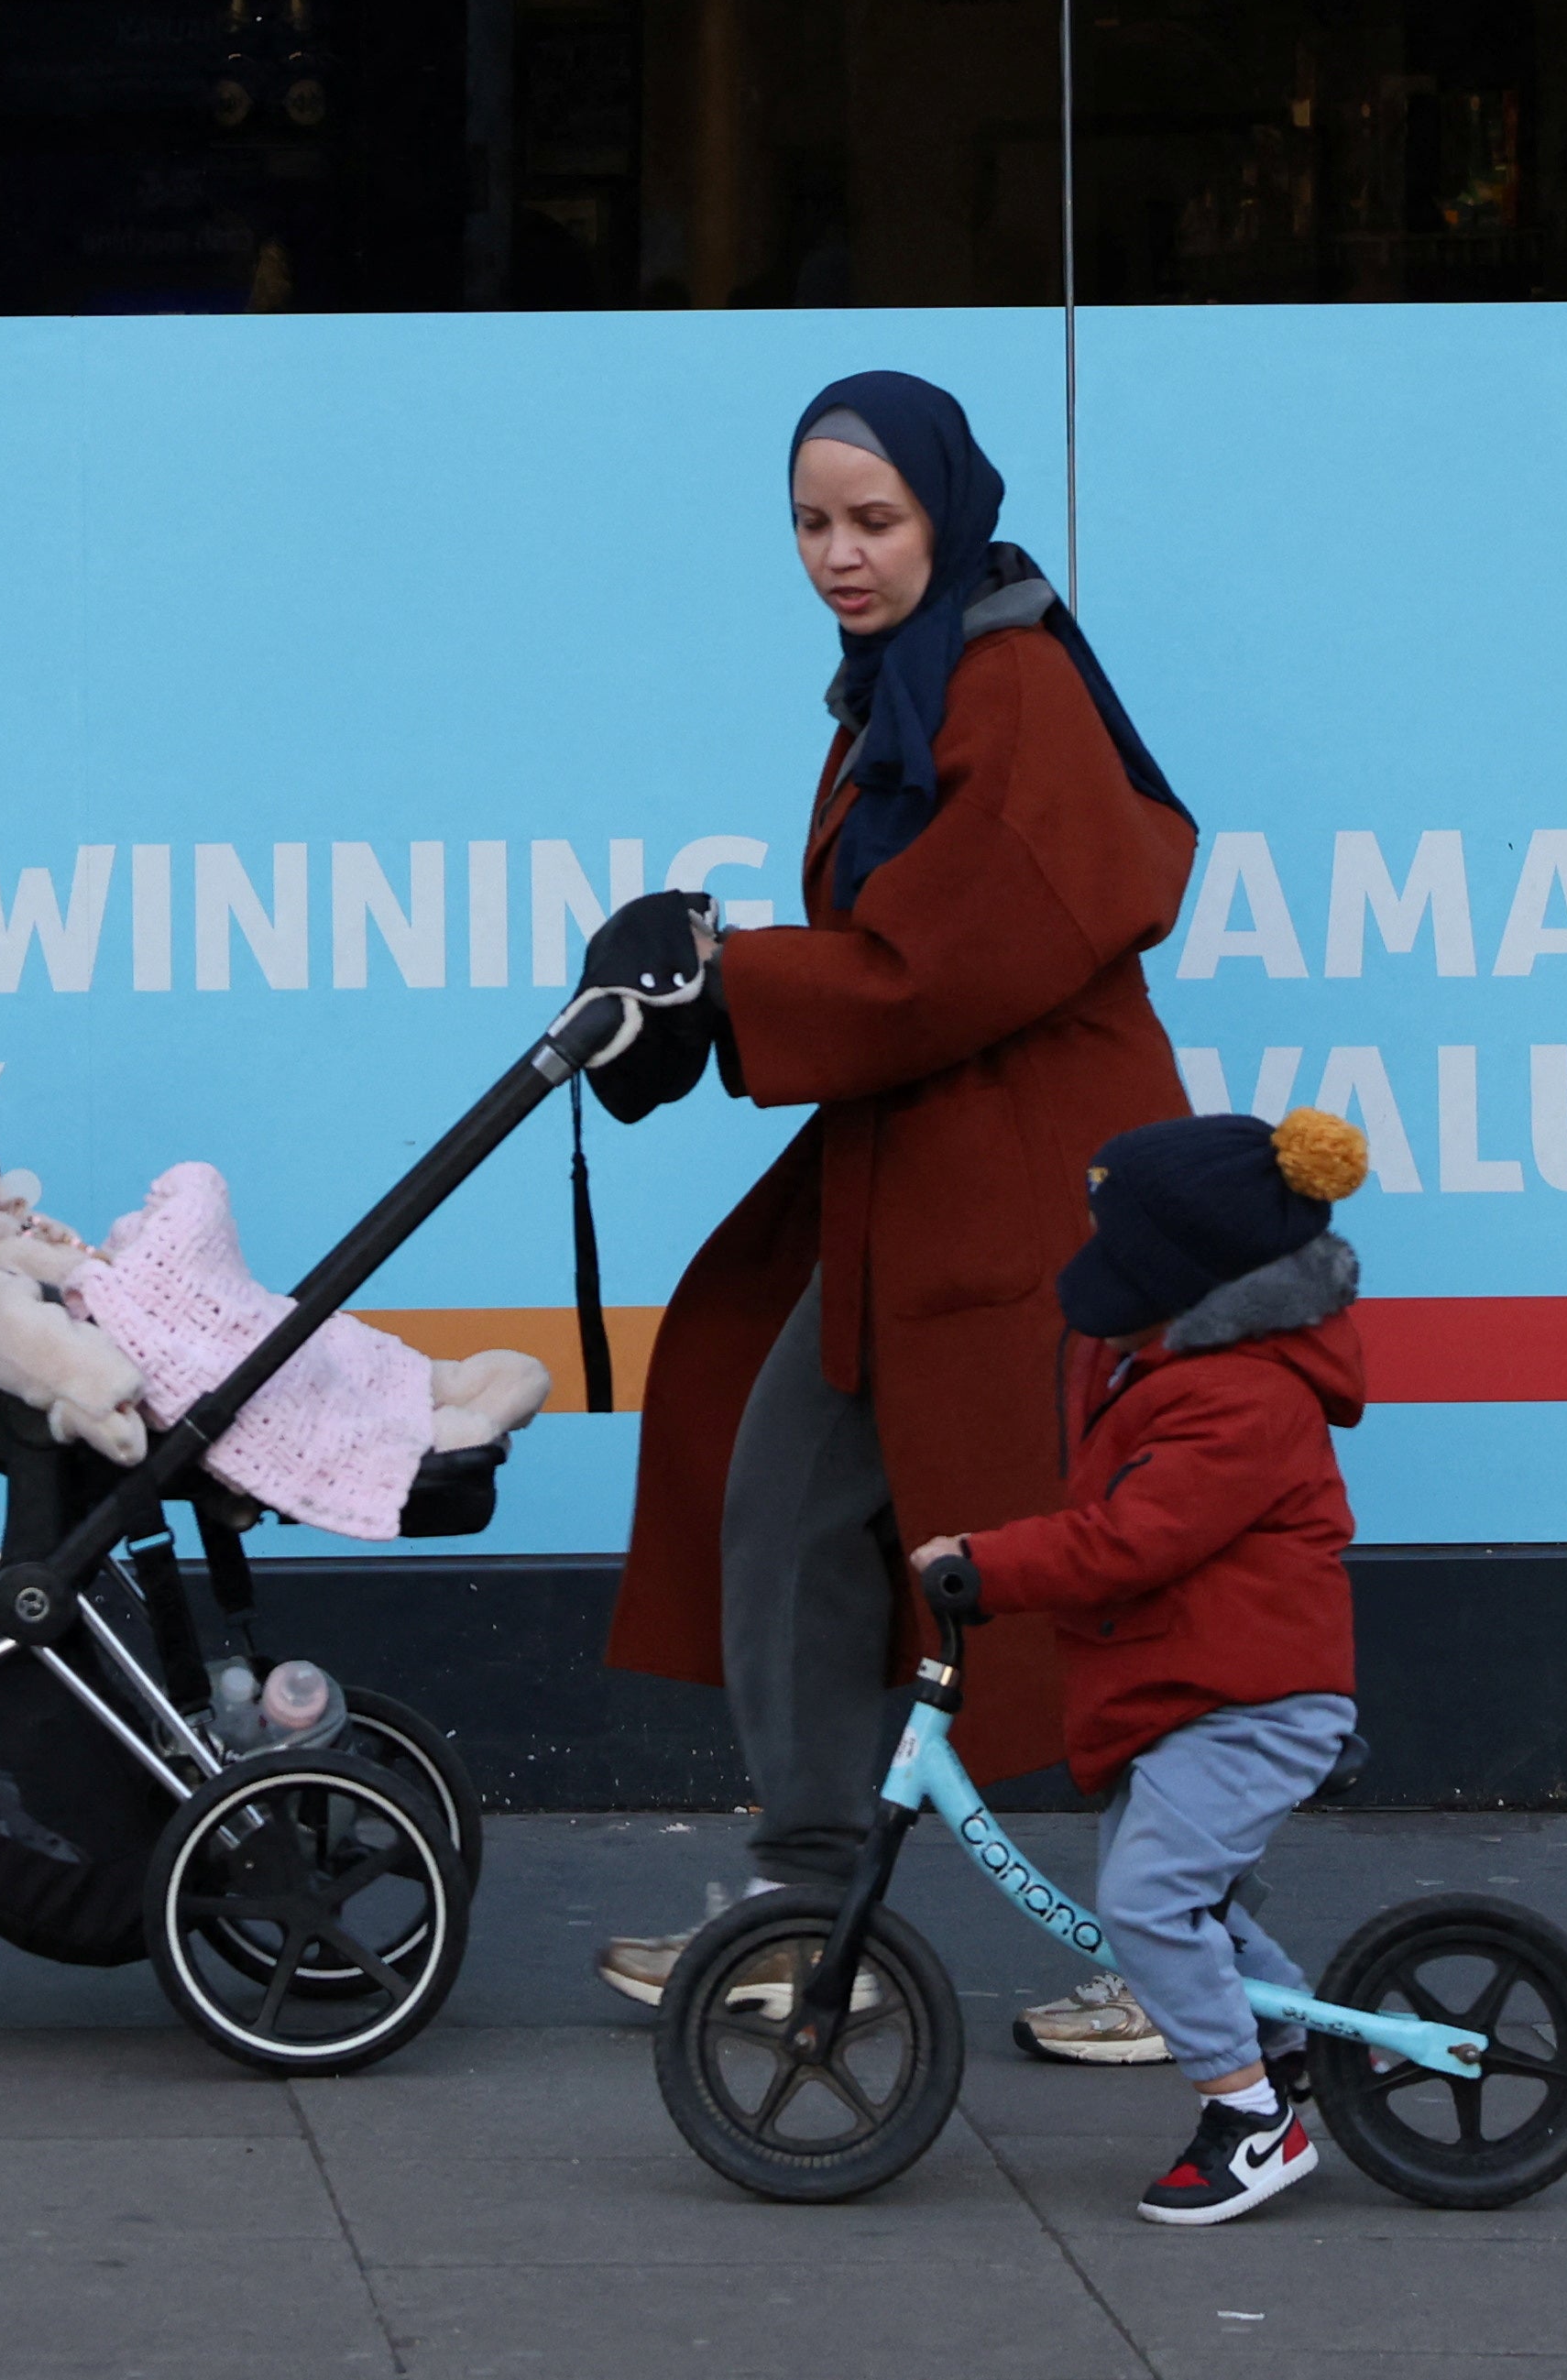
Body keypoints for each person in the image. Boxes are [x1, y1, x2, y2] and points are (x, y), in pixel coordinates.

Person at [582, 366, 1196, 2024]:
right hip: (922, 1192)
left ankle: (1184, 1960)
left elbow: (944, 959)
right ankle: (802, 1912)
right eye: (808, 524)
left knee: (1088, 1562)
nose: (838, 555)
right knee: (786, 1509)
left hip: (1038, 1206)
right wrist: (728, 983)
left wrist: (726, 985)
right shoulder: (902, 687)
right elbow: (906, 957)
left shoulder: (1009, 690)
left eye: (872, 520)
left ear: (945, 512)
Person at [916, 1108, 1378, 2226]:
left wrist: (985, 1565)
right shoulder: (1167, 1357)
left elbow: (1133, 1537)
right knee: (1180, 1891)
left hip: (1254, 1701)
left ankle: (1248, 2119)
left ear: (1190, 1278)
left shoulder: (1243, 1395)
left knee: (1146, 1894)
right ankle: (1283, 2037)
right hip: (1200, 1686)